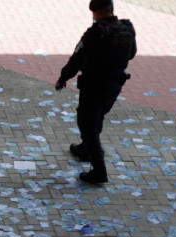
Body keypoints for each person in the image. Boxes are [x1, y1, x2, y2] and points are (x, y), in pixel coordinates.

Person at [55, 0, 137, 185]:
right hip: (114, 84)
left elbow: (77, 58)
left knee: (87, 123)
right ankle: (85, 149)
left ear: (98, 11)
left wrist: (63, 77)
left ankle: (99, 170)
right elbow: (131, 54)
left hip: (94, 85)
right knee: (97, 116)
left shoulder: (95, 32)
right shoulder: (126, 29)